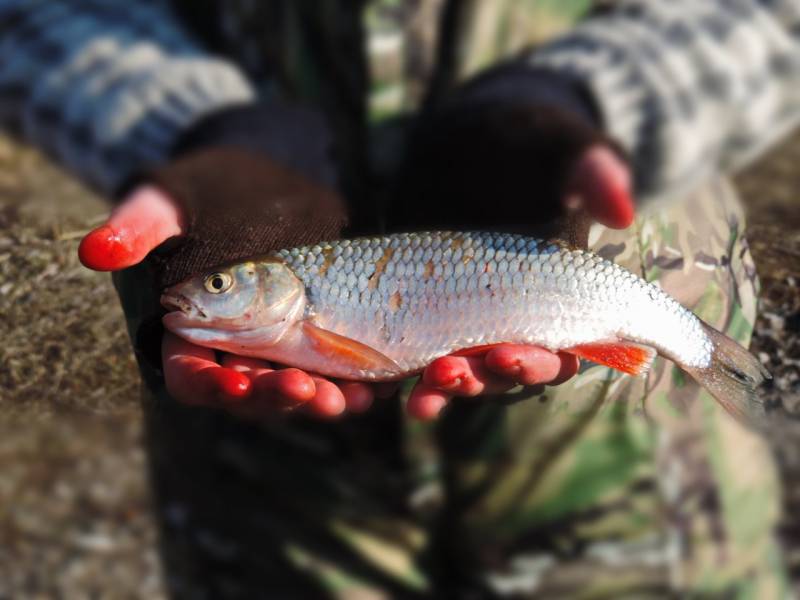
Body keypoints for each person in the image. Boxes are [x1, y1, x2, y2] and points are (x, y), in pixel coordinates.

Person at [0, 0, 793, 597]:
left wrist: (597, 94)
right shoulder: (277, 307)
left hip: (645, 456)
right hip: (272, 494)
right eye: (219, 286)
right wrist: (188, 128)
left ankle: (713, 364)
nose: (198, 296)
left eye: (218, 285)